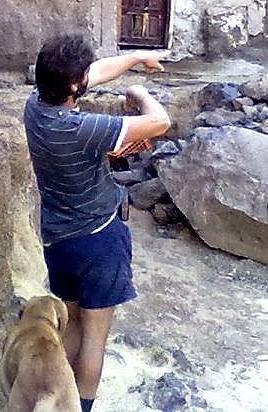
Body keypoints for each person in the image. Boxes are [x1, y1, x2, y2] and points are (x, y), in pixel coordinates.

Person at [23, 34, 170, 412]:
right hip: (99, 240)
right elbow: (160, 122)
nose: (91, 76)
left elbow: (95, 74)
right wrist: (139, 93)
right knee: (94, 339)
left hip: (59, 241)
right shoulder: (84, 128)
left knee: (72, 326)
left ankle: (55, 399)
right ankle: (80, 408)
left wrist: (136, 56)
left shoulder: (33, 109)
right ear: (74, 85)